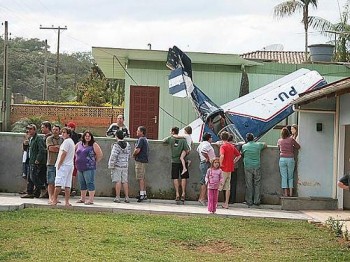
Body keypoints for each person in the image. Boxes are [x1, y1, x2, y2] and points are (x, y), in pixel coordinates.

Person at [75, 130, 103, 205]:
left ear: (91, 137)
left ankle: (90, 200)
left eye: (89, 136)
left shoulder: (94, 144)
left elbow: (99, 154)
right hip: (79, 167)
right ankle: (82, 198)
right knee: (82, 183)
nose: (87, 137)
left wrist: (94, 161)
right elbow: (74, 151)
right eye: (86, 136)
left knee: (89, 182)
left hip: (89, 168)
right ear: (83, 137)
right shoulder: (79, 144)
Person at [163, 127, 190, 204]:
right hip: (182, 161)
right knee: (184, 177)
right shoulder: (183, 140)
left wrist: (171, 137)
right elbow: (187, 150)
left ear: (172, 132)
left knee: (175, 177)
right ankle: (183, 193)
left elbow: (164, 140)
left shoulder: (170, 139)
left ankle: (177, 193)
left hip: (174, 161)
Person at [21, 124, 47, 199]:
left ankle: (43, 188)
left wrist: (38, 160)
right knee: (29, 178)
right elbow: (26, 149)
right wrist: (25, 144)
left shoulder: (38, 139)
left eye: (31, 129)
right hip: (30, 160)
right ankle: (30, 192)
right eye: (28, 129)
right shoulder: (30, 139)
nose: (29, 131)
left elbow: (42, 150)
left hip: (36, 162)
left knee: (33, 177)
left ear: (35, 130)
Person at [51, 127, 75, 206]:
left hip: (64, 165)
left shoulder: (66, 142)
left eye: (64, 132)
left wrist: (59, 163)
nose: (63, 134)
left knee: (58, 183)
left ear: (68, 134)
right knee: (67, 185)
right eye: (62, 132)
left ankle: (54, 200)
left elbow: (64, 153)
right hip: (70, 165)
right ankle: (67, 202)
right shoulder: (71, 142)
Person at [242, 133, 267, 206]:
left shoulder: (244, 146)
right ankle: (257, 200)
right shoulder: (258, 145)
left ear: (246, 139)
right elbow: (265, 144)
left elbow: (242, 153)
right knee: (257, 183)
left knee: (249, 184)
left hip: (247, 166)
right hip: (256, 166)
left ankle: (249, 201)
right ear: (253, 138)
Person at [219, 131, 241, 209]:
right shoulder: (231, 146)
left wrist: (220, 164)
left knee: (219, 186)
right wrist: (233, 161)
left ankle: (214, 202)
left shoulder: (223, 146)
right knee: (228, 187)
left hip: (224, 168)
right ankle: (226, 203)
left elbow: (222, 155)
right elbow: (238, 155)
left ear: (221, 138)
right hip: (230, 169)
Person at [108, 130, 131, 203]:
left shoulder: (116, 145)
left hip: (117, 165)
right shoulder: (128, 144)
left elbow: (113, 156)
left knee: (118, 181)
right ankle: (127, 197)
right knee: (125, 181)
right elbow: (129, 155)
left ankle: (117, 197)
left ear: (116, 136)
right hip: (125, 165)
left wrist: (111, 165)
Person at [277, 127, 300, 197]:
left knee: (284, 177)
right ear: (288, 133)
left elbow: (278, 147)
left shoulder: (280, 140)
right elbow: (298, 146)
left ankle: (285, 193)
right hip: (290, 159)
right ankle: (290, 193)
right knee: (290, 177)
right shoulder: (291, 140)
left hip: (282, 159)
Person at [196, 132, 215, 206]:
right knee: (205, 181)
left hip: (202, 163)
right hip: (206, 163)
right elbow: (203, 151)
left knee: (204, 181)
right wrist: (207, 158)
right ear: (209, 138)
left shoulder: (201, 144)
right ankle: (202, 198)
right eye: (211, 137)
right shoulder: (207, 144)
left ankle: (201, 198)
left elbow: (198, 150)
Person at [46, 125, 64, 204]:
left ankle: (55, 197)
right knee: (51, 181)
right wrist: (59, 148)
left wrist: (57, 148)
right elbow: (50, 148)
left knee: (58, 182)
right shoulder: (49, 139)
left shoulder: (62, 139)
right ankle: (50, 197)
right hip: (51, 163)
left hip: (60, 164)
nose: (55, 131)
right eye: (53, 129)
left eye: (56, 130)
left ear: (59, 131)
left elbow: (64, 150)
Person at [133, 126, 149, 202]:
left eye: (138, 130)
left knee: (140, 178)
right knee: (142, 177)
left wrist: (133, 154)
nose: (137, 131)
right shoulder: (145, 139)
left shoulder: (141, 139)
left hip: (140, 160)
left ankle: (142, 194)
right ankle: (144, 193)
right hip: (144, 160)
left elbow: (137, 150)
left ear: (142, 132)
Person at [66, 121, 81, 196]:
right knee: (73, 172)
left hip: (71, 155)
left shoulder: (71, 136)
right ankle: (72, 188)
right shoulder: (77, 136)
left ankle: (71, 188)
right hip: (74, 155)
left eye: (69, 127)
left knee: (72, 172)